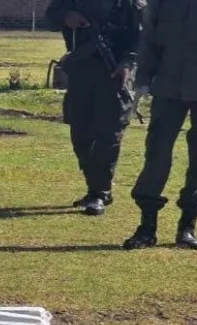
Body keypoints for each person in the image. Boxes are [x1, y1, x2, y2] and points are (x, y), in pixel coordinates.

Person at [123, 0, 197, 250]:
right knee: (157, 154)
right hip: (168, 88)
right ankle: (147, 227)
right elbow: (149, 38)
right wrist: (143, 79)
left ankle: (188, 226)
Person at [45, 0, 143, 217]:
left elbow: (142, 39)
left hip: (115, 73)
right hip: (82, 71)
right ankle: (94, 187)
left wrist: (128, 63)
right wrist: (66, 16)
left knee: (108, 135)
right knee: (81, 133)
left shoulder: (129, 4)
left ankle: (100, 191)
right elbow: (50, 17)